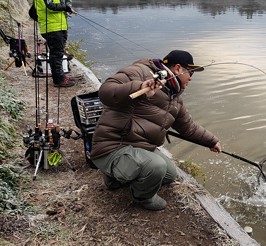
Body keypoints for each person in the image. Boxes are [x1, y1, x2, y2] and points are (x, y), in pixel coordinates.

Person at [90, 50, 222, 211]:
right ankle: (142, 198)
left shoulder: (175, 99)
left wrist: (212, 141)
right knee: (156, 167)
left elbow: (188, 127)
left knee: (169, 174)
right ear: (178, 68)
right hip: (112, 145)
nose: (191, 77)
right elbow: (105, 92)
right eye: (190, 72)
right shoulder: (140, 71)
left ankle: (115, 178)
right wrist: (139, 87)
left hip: (138, 146)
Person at [35, 0, 76, 87]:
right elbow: (51, 6)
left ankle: (61, 76)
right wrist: (66, 7)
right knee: (56, 54)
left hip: (58, 27)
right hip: (52, 28)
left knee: (59, 53)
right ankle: (59, 80)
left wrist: (66, 9)